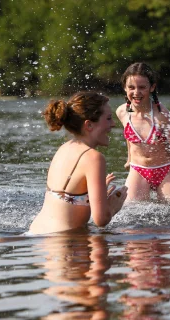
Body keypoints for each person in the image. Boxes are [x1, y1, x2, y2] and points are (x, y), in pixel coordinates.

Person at [28, 91, 128, 235]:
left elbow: (67, 198)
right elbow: (101, 219)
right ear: (89, 125)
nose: (113, 124)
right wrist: (113, 206)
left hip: (38, 238)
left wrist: (94, 195)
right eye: (108, 118)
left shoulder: (64, 148)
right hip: (63, 243)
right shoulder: (93, 157)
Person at [116, 62, 170, 203]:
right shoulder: (122, 112)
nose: (136, 93)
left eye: (142, 87)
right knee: (130, 210)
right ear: (125, 88)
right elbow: (130, 137)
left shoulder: (162, 116)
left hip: (166, 170)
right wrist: (129, 159)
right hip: (139, 169)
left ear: (152, 87)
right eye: (131, 87)